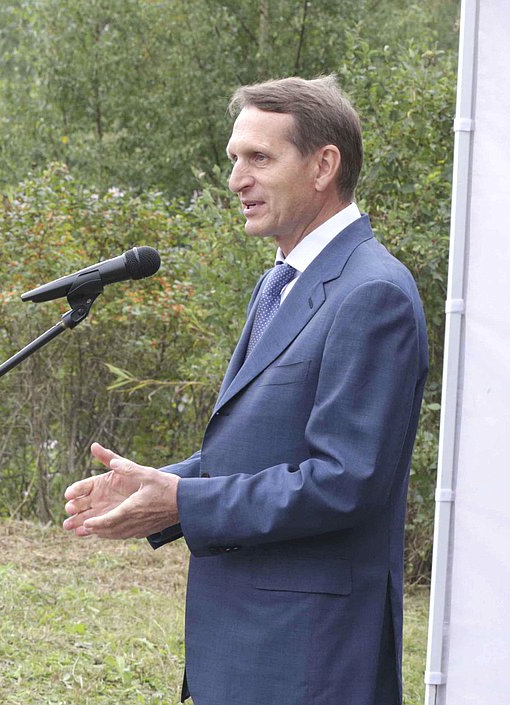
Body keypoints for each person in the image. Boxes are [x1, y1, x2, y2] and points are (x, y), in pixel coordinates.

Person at [61, 75, 428, 705]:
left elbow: (344, 483)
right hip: (248, 645)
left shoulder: (372, 295)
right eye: (234, 160)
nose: (236, 181)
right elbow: (264, 451)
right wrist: (157, 483)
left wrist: (185, 504)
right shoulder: (279, 283)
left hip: (308, 656)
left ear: (324, 166)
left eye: (259, 158)